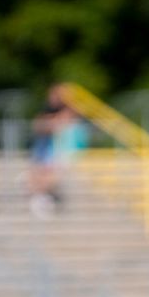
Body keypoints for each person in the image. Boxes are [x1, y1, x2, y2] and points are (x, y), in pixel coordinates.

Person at [28, 87, 85, 218]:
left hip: (61, 151)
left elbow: (57, 123)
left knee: (49, 173)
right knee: (41, 172)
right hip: (51, 150)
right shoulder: (48, 111)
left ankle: (44, 198)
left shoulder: (68, 112)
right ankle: (42, 197)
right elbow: (40, 125)